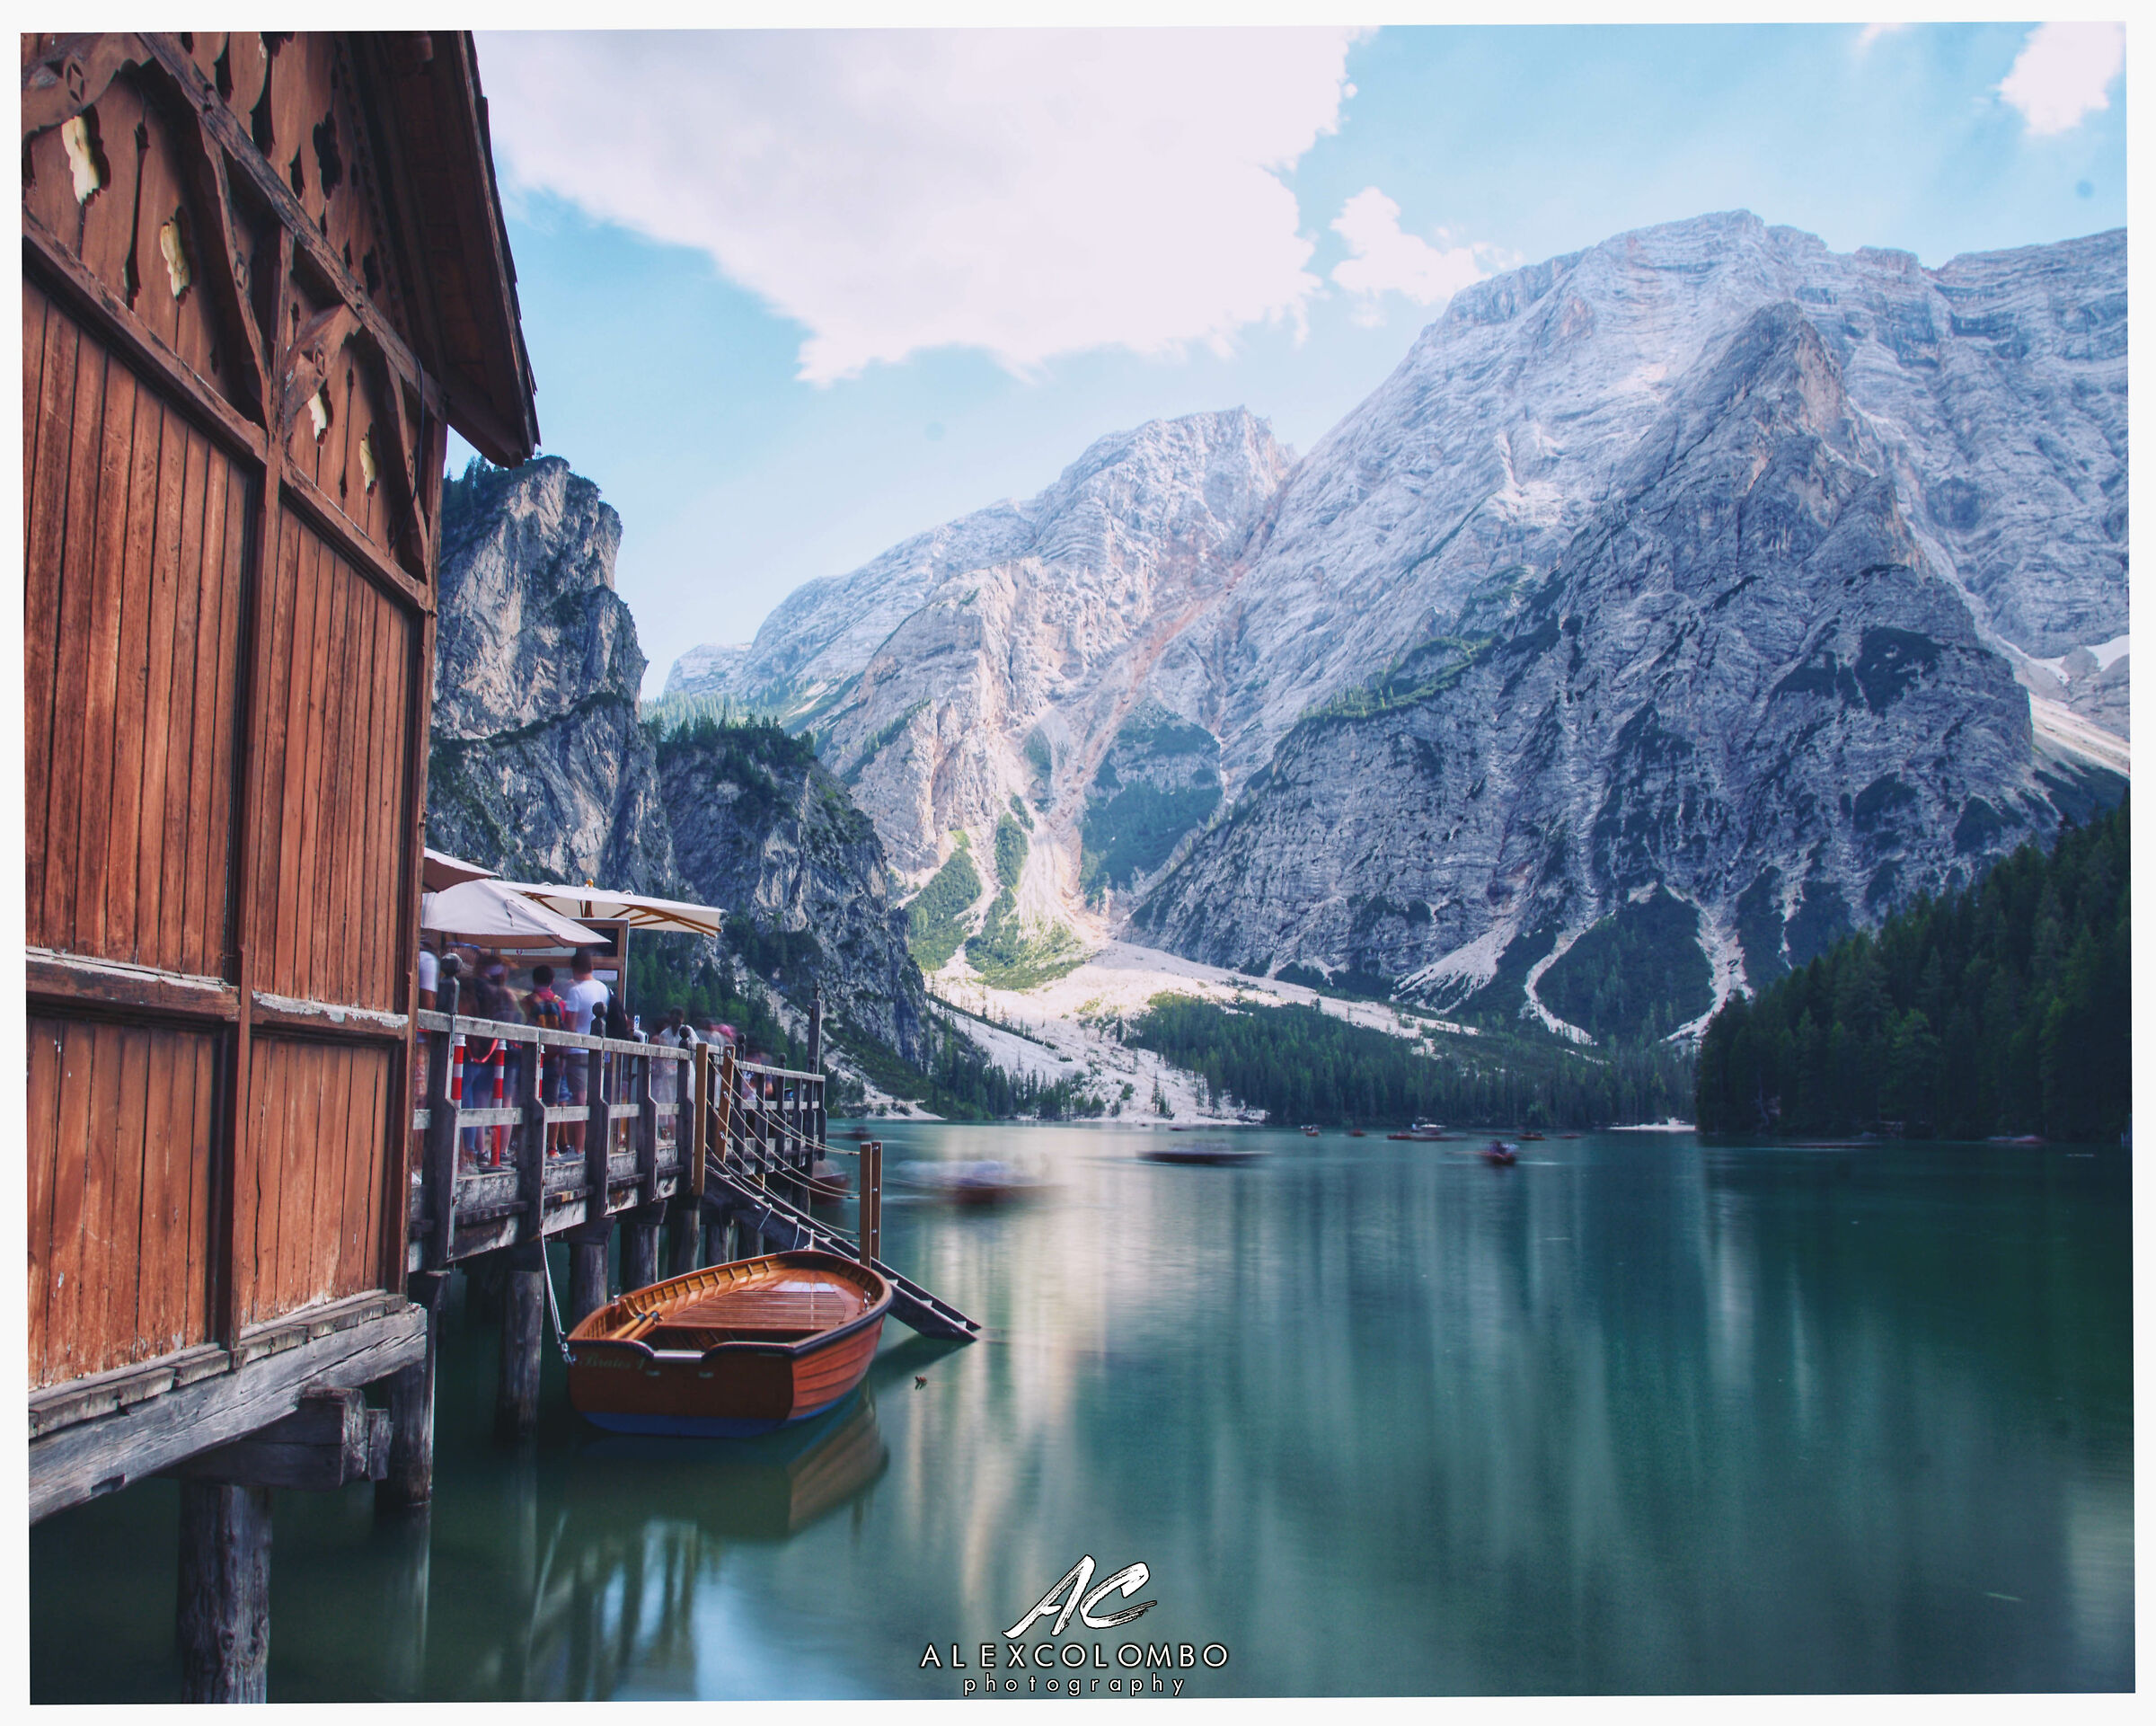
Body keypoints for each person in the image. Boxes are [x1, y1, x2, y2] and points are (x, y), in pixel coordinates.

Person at [561, 951, 610, 1155]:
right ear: (592, 967)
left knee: (579, 1100)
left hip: (576, 1049)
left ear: (575, 969)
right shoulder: (603, 988)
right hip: (596, 1050)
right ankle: (592, 1145)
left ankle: (578, 1148)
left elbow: (570, 1025)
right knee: (593, 1097)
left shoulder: (576, 991)